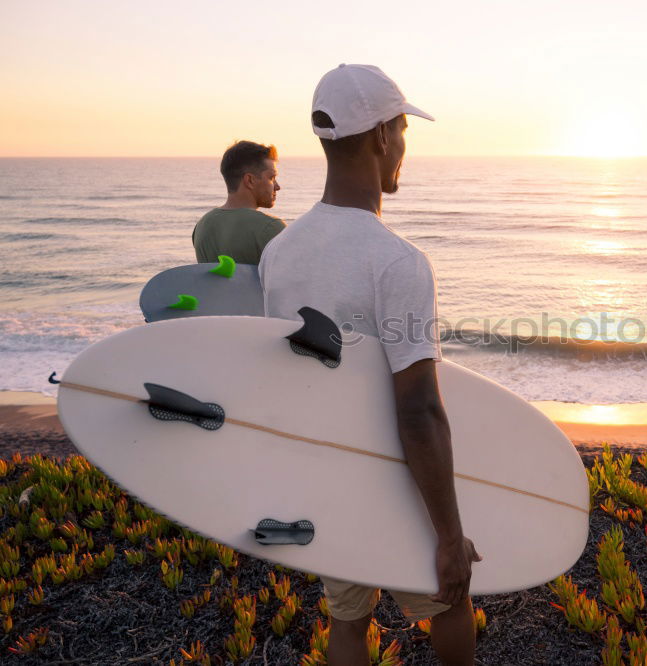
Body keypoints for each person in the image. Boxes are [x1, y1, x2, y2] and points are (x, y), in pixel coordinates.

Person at [258, 65, 481, 666]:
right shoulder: (397, 262)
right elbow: (418, 407)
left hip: (324, 478)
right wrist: (449, 535)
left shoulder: (278, 254)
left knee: (348, 622)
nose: (404, 146)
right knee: (452, 599)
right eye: (403, 130)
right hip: (393, 480)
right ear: (381, 136)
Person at [192, 140, 285, 264]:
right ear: (250, 180)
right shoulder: (271, 228)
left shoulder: (202, 226)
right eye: (271, 178)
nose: (277, 186)